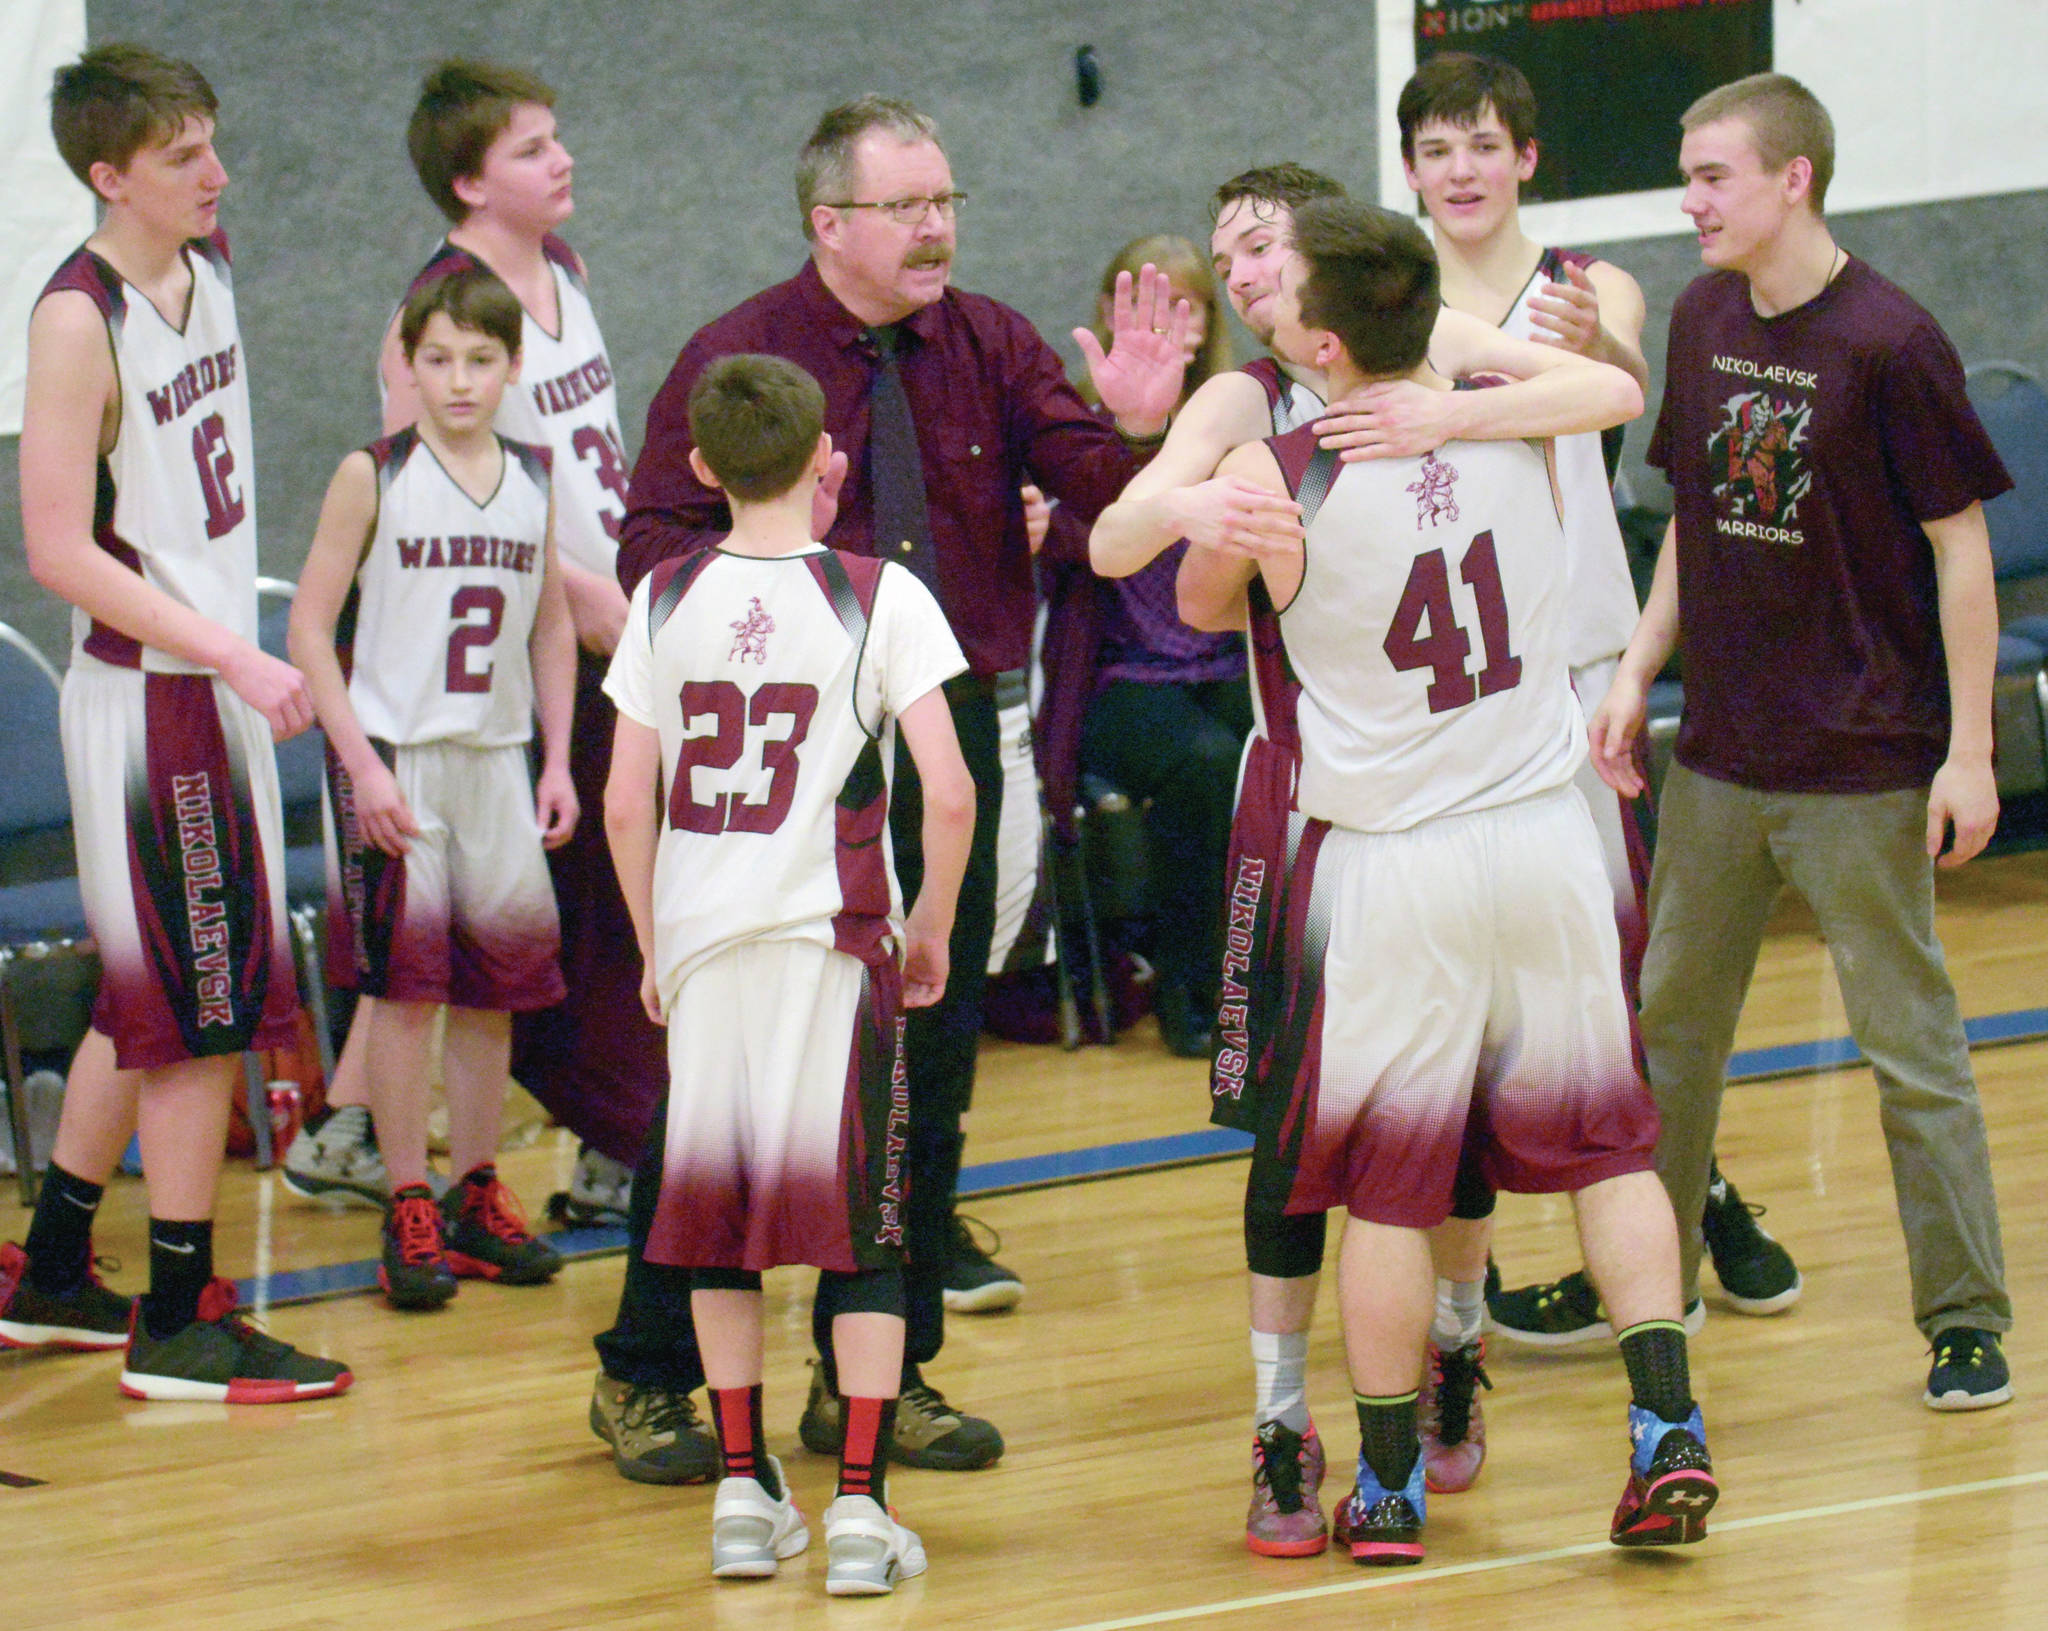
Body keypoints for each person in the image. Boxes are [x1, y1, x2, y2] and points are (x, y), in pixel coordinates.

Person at [608, 93, 1191, 1472]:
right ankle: (642, 1370)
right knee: (731, 1096)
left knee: (924, 1075)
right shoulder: (739, 355)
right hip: (786, 775)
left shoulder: (988, 339)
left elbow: (1099, 492)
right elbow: (648, 556)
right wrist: (780, 597)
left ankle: (876, 1376)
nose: (935, 228)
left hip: (949, 750)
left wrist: (1147, 431)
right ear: (831, 224)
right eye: (906, 206)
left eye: (947, 202)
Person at [1088, 163, 1644, 1556]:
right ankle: (1285, 1419)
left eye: (1267, 241)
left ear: (1327, 270)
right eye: (1227, 251)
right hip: (1309, 802)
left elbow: (1609, 387)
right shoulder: (1235, 407)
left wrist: (1467, 406)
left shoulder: (1432, 343)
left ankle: (1450, 1350)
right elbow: (1113, 539)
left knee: (1444, 1129)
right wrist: (1168, 474)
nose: (1247, 267)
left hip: (1429, 788)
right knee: (1289, 1138)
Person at [1590, 73, 2015, 1410]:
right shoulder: (1710, 313)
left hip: (1864, 763)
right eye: (1687, 171)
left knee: (1912, 1052)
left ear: (1795, 181)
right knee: (1669, 1039)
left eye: (1713, 175)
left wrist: (1970, 750)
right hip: (1719, 755)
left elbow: (1962, 555)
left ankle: (1963, 1316)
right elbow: (1691, 527)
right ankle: (1646, 1296)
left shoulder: (1893, 341)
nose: (1690, 199)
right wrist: (1636, 673)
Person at [1395, 52, 1801, 1370]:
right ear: (1409, 172)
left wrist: (1605, 352)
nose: (1461, 166)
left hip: (1571, 679)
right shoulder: (1389, 308)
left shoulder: (1589, 286)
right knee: (1475, 996)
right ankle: (1476, 1252)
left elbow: (1630, 377)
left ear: (1525, 158)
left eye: (1484, 142)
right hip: (1442, 697)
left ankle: (1694, 1196)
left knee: (1613, 984)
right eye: (1437, 147)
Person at [0, 44, 350, 1402]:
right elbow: (53, 550)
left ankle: (58, 1266)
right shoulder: (77, 318)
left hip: (207, 681)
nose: (216, 171)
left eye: (213, 138)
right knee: (208, 1006)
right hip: (155, 698)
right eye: (181, 155)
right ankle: (182, 1316)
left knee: (149, 985)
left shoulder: (204, 276)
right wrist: (232, 650)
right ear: (107, 177)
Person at [605, 354, 974, 1594]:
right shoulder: (880, 594)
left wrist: (656, 948)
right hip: (832, 947)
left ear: (702, 468)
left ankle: (738, 1491)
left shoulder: (658, 595)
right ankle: (860, 1509)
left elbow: (623, 804)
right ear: (827, 456)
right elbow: (954, 787)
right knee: (862, 1221)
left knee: (719, 1218)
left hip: (707, 955)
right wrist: (928, 920)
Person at [288, 265, 578, 1310]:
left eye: (481, 359)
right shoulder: (371, 473)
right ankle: (405, 1194)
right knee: (406, 994)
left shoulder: (538, 478)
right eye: (439, 358)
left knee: (493, 990)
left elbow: (550, 624)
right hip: (400, 758)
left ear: (510, 367)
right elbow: (309, 627)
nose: (459, 380)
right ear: (405, 365)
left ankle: (473, 1190)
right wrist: (359, 762)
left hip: (496, 757)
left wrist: (554, 758)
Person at [1034, 233, 1246, 1059]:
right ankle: (1191, 985)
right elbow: (1058, 551)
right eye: (1148, 304)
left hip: (1226, 657)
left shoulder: (1234, 416)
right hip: (1124, 674)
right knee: (1205, 764)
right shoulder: (1080, 428)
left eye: (1185, 304)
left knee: (1291, 745)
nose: (1168, 323)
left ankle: (1288, 971)